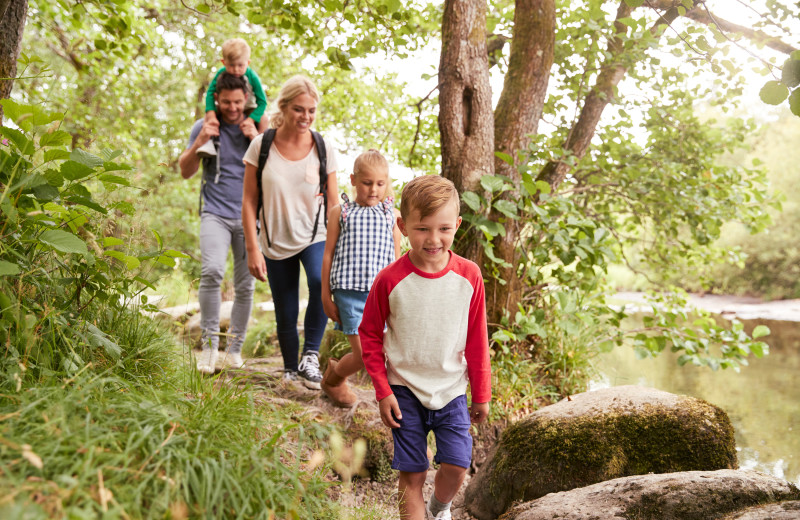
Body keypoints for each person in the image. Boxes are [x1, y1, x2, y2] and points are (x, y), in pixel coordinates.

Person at [360, 175, 492, 520]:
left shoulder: (470, 276)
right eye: (422, 229)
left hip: (450, 390)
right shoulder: (390, 280)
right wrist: (382, 391)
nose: (434, 239)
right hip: (404, 390)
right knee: (413, 475)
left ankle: (440, 507)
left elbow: (477, 339)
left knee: (458, 466)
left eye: (444, 229)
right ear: (402, 226)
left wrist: (482, 393)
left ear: (457, 225)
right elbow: (370, 335)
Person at [242, 75, 339, 389]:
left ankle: (310, 355)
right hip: (274, 239)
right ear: (283, 107)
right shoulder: (263, 145)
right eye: (299, 109)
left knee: (318, 280)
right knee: (285, 309)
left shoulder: (323, 147)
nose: (306, 117)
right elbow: (248, 200)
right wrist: (253, 248)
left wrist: (339, 246)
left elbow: (335, 203)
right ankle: (288, 369)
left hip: (315, 234)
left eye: (311, 110)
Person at [178, 72, 258, 374]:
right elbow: (185, 171)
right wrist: (201, 139)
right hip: (214, 212)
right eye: (226, 102)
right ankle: (209, 348)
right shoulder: (204, 126)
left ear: (247, 99)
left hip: (249, 216)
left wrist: (255, 139)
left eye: (238, 101)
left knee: (245, 284)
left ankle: (234, 350)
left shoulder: (258, 127)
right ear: (217, 100)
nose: (233, 107)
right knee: (211, 271)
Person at [319, 149, 402, 407]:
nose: (374, 189)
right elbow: (328, 255)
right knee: (366, 354)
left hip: (380, 297)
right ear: (354, 180)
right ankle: (333, 381)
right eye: (367, 183)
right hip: (349, 295)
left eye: (380, 183)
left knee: (383, 352)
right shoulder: (341, 212)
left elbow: (397, 260)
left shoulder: (392, 215)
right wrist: (325, 295)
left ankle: (334, 374)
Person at [197, 38, 269, 157]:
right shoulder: (221, 74)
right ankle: (208, 143)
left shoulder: (252, 76)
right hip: (224, 106)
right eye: (231, 65)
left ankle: (261, 144)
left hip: (249, 107)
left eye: (240, 65)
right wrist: (210, 113)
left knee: (264, 118)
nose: (236, 70)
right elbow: (210, 93)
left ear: (248, 63)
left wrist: (251, 119)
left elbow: (262, 101)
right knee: (208, 117)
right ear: (223, 62)